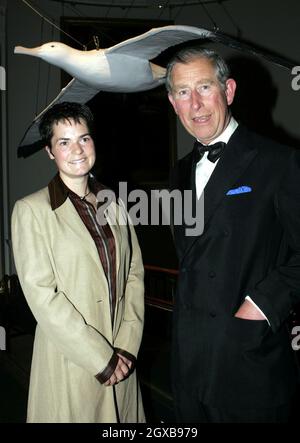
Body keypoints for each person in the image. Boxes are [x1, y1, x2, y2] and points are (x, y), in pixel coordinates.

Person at [167, 47, 300, 423]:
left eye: (205, 87)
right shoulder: (178, 172)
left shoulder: (279, 162)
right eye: (182, 92)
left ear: (228, 90)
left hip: (248, 362)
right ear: (172, 103)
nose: (195, 103)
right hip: (190, 364)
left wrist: (263, 303)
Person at [11, 102, 145, 423]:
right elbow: (43, 297)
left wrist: (126, 346)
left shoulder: (114, 203)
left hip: (122, 356)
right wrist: (101, 358)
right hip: (72, 358)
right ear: (49, 152)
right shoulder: (32, 210)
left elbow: (134, 274)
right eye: (64, 142)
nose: (77, 150)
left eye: (84, 138)